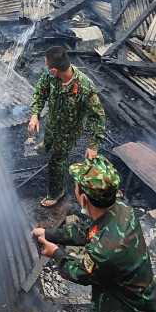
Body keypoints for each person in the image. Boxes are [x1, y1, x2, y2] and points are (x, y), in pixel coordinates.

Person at [32, 156, 156, 312]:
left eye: (75, 186)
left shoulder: (105, 251)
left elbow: (81, 273)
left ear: (83, 198)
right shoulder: (123, 210)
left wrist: (56, 253)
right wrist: (51, 234)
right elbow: (88, 230)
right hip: (135, 310)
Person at [29, 46, 107, 208]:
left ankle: (57, 192)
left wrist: (94, 145)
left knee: (56, 161)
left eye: (47, 66)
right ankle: (46, 145)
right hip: (52, 124)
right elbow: (40, 91)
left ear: (56, 70)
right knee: (48, 139)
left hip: (68, 133)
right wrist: (35, 114)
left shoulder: (85, 87)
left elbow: (98, 117)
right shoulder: (51, 76)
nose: (46, 69)